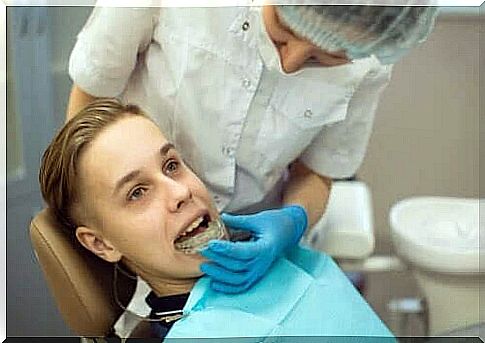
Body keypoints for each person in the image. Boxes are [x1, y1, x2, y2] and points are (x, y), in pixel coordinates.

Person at [66, 3, 438, 293]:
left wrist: (291, 221)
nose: (290, 63)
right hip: (144, 257)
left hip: (261, 248)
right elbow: (90, 99)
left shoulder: (369, 55)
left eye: (325, 58)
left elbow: (317, 172)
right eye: (282, 30)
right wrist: (90, 219)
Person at [39, 98, 394, 339]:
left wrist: (293, 220)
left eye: (171, 165)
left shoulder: (277, 256)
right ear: (101, 243)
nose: (180, 193)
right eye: (137, 192)